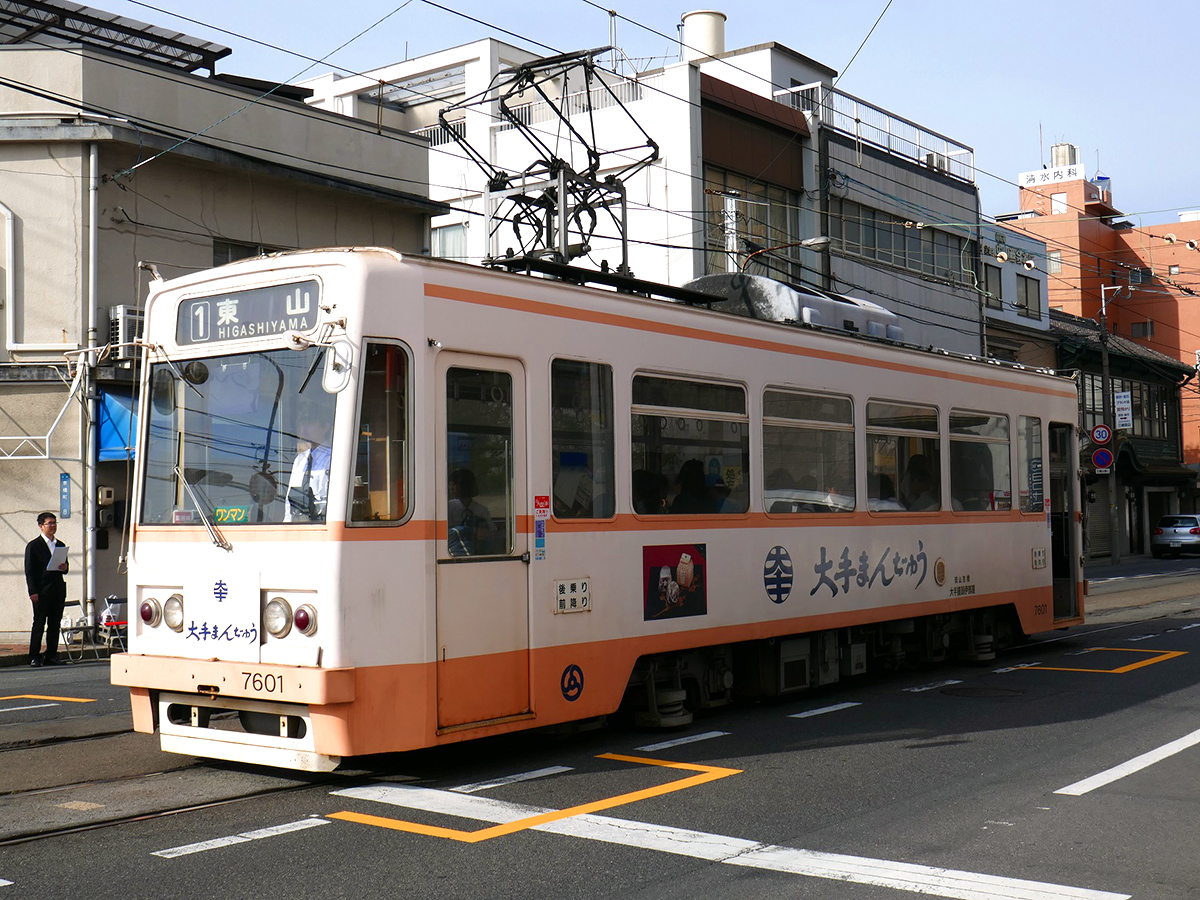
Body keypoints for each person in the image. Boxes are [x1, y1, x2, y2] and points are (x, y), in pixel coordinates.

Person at [25, 512, 68, 667]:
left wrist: (64, 567)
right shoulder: (33, 546)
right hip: (41, 590)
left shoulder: (60, 545)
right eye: (49, 523)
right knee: (39, 623)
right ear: (41, 526)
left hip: (57, 589)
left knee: (55, 623)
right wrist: (33, 591)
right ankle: (34, 655)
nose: (53, 526)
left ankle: (51, 654)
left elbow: (65, 568)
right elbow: (29, 571)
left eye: (54, 523)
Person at [284, 421, 332, 523]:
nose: (304, 428)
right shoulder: (300, 459)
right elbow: (289, 499)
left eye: (309, 423)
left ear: (325, 427)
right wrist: (287, 525)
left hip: (323, 524)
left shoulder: (333, 458)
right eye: (302, 423)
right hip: (299, 525)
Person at [447, 468, 496, 555]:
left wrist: (484, 533)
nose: (451, 488)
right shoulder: (448, 508)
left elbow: (493, 533)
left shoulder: (481, 510)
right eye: (450, 484)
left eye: (454, 484)